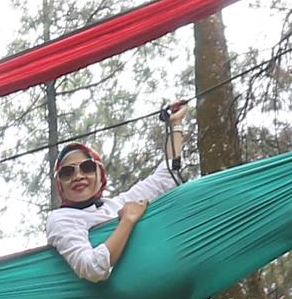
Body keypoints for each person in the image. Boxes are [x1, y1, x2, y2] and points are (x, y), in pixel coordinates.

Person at [44, 102, 189, 287]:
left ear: (100, 175)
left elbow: (167, 176)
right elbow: (92, 268)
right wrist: (127, 221)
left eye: (87, 168)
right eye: (67, 172)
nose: (78, 176)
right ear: (60, 185)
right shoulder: (60, 219)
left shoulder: (115, 205)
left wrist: (176, 124)